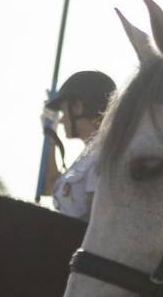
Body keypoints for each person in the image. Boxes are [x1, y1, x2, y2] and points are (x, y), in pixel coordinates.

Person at [45, 70, 116, 221]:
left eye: (63, 113)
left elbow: (92, 220)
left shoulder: (102, 155)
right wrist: (50, 136)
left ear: (78, 107)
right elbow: (48, 187)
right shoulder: (89, 154)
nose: (62, 121)